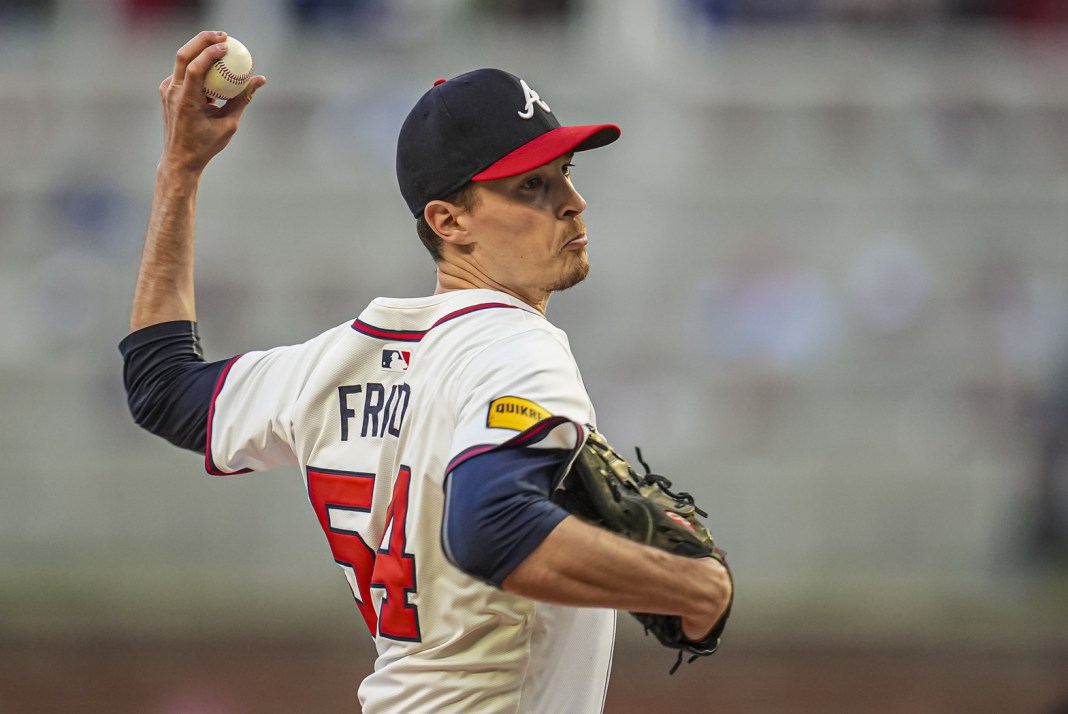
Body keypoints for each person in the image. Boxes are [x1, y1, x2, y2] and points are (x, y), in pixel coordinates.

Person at [120, 31, 733, 714]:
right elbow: (489, 525)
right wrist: (691, 587)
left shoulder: (340, 358)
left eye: (567, 172)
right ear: (448, 219)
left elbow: (161, 384)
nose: (572, 202)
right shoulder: (516, 350)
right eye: (532, 185)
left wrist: (179, 171)